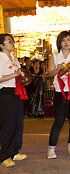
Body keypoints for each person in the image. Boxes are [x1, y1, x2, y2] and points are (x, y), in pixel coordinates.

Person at [47, 31, 70, 159]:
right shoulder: (55, 56)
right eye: (63, 40)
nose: (66, 42)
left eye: (68, 39)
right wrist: (58, 69)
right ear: (59, 43)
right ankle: (51, 148)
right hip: (60, 91)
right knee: (59, 120)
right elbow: (50, 73)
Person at [0, 34, 27, 168]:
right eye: (9, 41)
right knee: (7, 125)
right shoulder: (0, 58)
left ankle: (14, 151)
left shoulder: (14, 59)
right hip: (5, 93)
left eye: (12, 41)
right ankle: (5, 155)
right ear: (1, 45)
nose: (12, 43)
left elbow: (18, 75)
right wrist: (14, 74)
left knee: (18, 123)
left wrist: (23, 78)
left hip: (17, 92)